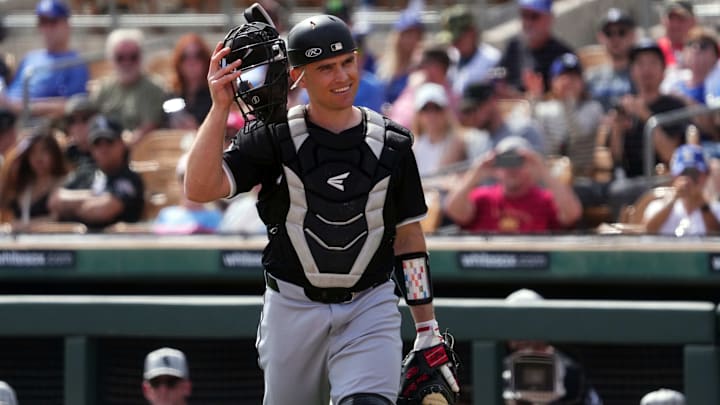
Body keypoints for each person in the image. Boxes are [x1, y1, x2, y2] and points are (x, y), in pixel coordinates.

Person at [185, 14, 458, 405]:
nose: (341, 76)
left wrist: (427, 326)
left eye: (347, 62)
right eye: (325, 68)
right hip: (292, 304)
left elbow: (410, 241)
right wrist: (218, 108)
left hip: (370, 303)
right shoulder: (272, 137)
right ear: (298, 74)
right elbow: (199, 187)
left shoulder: (393, 143)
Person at [444, 136, 582, 233]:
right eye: (505, 161)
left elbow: (572, 214)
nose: (511, 169)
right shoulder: (483, 197)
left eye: (518, 161)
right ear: (496, 166)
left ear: (530, 165)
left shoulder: (545, 200)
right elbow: (453, 210)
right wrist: (477, 172)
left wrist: (542, 170)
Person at [502, 289, 603, 405]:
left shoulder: (569, 371)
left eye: (529, 327)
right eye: (514, 329)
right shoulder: (497, 369)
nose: (521, 341)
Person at [48, 114, 144, 230]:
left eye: (109, 142)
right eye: (97, 143)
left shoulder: (129, 179)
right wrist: (93, 195)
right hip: (75, 243)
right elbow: (55, 201)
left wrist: (69, 209)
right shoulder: (85, 174)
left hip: (115, 244)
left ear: (121, 144)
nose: (103, 149)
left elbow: (103, 211)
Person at [1, 0, 89, 119]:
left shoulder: (75, 63)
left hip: (29, 125)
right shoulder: (30, 57)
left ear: (67, 25)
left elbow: (71, 106)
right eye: (42, 22)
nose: (47, 29)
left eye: (52, 22)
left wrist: (16, 106)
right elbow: (12, 89)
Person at [91, 28, 169, 145]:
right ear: (111, 59)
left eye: (133, 57)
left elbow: (150, 126)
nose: (127, 62)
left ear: (141, 57)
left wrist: (122, 145)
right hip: (106, 148)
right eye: (120, 57)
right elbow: (93, 120)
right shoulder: (103, 88)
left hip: (142, 151)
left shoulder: (155, 88)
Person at [534, 53, 603, 178]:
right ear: (552, 81)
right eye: (563, 76)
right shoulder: (543, 109)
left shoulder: (593, 108)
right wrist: (533, 100)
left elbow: (579, 134)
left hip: (582, 176)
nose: (569, 82)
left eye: (574, 77)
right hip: (550, 176)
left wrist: (567, 103)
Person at [499, 0, 574, 96]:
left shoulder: (563, 56)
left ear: (550, 18)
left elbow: (566, 99)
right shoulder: (514, 45)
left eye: (534, 16)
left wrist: (536, 96)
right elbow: (498, 76)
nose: (528, 22)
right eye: (524, 15)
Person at [643, 144, 720, 236]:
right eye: (683, 173)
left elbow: (716, 235)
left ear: (706, 175)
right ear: (674, 176)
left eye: (695, 174)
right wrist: (672, 200)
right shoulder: (657, 206)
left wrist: (702, 204)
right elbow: (647, 231)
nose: (689, 179)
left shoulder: (716, 210)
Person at [0, 125, 68, 227]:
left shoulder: (67, 183)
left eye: (44, 151)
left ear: (55, 154)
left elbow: (60, 219)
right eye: (33, 152)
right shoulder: (23, 186)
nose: (38, 158)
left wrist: (22, 226)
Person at [460, 81, 544, 158]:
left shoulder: (525, 130)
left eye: (475, 108)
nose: (471, 116)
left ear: (492, 100)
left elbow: (536, 169)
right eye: (467, 111)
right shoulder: (475, 142)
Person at [153, 153, 223, 235]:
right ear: (178, 181)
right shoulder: (165, 214)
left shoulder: (215, 217)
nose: (190, 184)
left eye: (198, 179)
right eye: (184, 178)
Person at [440, 4, 501, 97]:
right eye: (452, 40)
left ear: (472, 32)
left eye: (458, 38)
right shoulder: (451, 56)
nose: (454, 44)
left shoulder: (492, 59)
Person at [409, 82, 466, 177]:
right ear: (418, 115)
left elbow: (438, 175)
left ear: (446, 112)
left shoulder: (456, 141)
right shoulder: (414, 144)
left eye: (437, 108)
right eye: (425, 109)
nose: (432, 115)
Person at [585, 8, 637, 111]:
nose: (615, 38)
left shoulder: (642, 75)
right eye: (608, 33)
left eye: (621, 32)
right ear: (600, 37)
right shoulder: (591, 78)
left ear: (632, 36)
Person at [169, 33, 212, 128]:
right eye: (185, 57)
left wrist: (198, 128)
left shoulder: (215, 96)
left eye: (198, 56)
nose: (191, 62)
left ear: (206, 60)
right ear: (178, 62)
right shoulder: (170, 95)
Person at [61, 94, 98, 190]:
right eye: (72, 120)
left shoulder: (106, 151)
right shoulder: (65, 155)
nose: (79, 126)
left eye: (85, 119)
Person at [657, 0, 696, 69]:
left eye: (681, 19)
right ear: (663, 21)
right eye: (671, 18)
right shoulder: (656, 49)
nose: (675, 25)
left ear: (693, 21)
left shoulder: (707, 48)